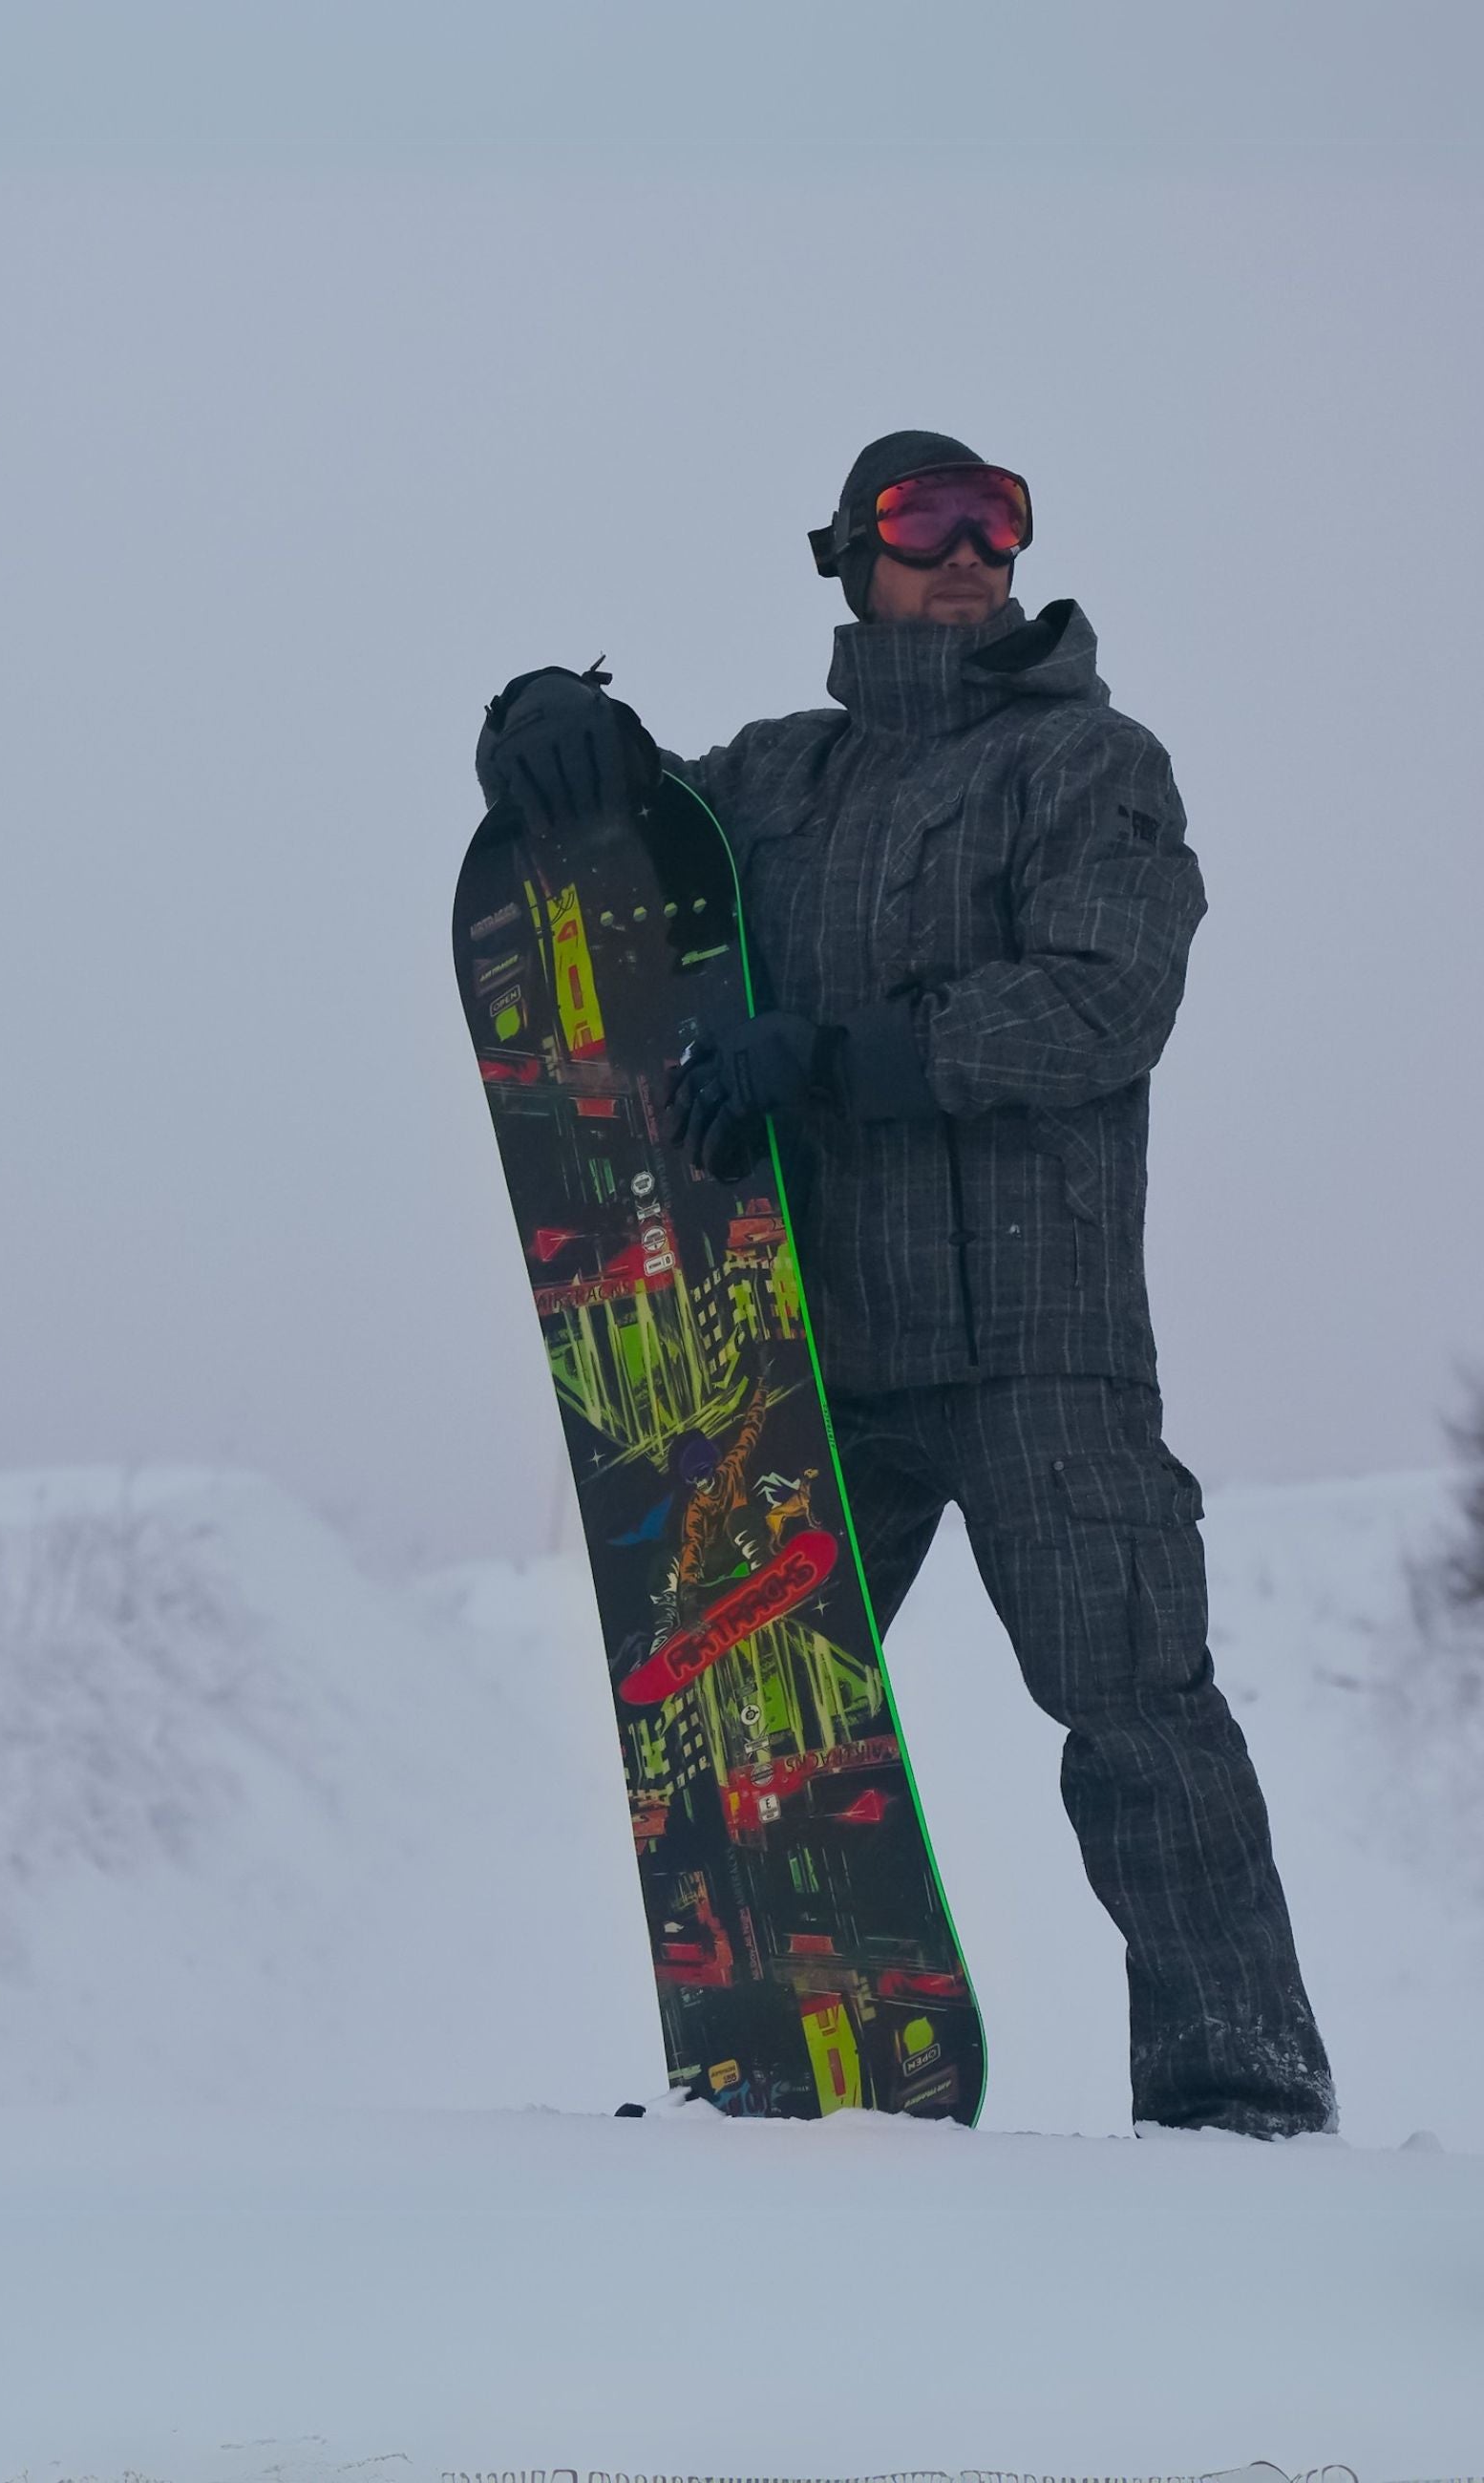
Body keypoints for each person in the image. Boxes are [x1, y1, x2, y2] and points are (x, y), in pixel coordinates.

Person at [476, 429, 1335, 2139]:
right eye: (926, 519)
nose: (969, 551)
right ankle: (783, 2074)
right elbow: (634, 817)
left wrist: (836, 1055)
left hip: (1040, 1348)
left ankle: (1242, 2099)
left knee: (1136, 1713)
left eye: (997, 523)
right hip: (811, 1356)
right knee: (744, 1705)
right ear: (848, 554)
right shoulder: (781, 780)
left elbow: (1103, 1003)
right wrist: (534, 720)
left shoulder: (1091, 764)